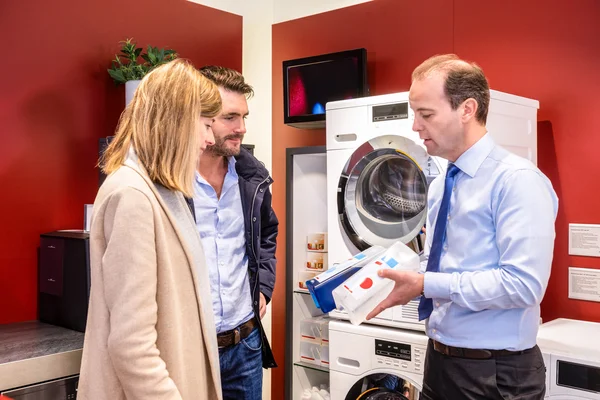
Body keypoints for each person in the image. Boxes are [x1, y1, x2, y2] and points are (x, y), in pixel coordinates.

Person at [366, 54, 558, 400]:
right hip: (440, 360)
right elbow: (445, 260)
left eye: (426, 114)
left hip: (496, 374)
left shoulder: (517, 181)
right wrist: (391, 277)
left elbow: (523, 285)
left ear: (467, 109)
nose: (415, 126)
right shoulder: (442, 182)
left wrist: (427, 284)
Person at [78, 59, 223, 400]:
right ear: (176, 123)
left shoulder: (163, 191)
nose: (208, 138)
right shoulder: (132, 195)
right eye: (204, 124)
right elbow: (132, 346)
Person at [195, 65, 278, 400]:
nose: (241, 128)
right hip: (192, 349)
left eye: (244, 117)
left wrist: (265, 287)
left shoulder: (251, 176)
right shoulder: (170, 184)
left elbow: (267, 235)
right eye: (230, 117)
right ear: (201, 118)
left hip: (245, 344)